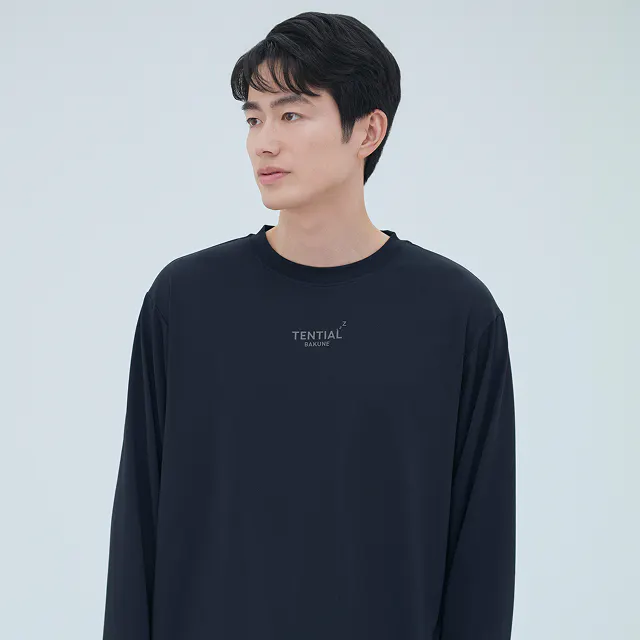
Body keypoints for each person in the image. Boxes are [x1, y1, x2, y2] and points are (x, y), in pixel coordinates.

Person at [102, 11, 516, 640]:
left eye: (291, 114)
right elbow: (138, 526)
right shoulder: (186, 302)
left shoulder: (455, 313)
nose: (262, 143)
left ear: (368, 130)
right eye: (253, 118)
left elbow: (481, 554)